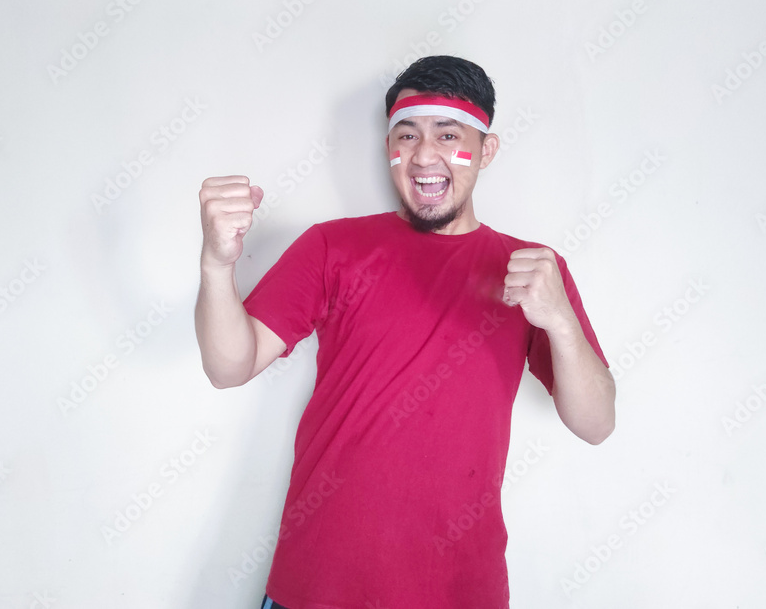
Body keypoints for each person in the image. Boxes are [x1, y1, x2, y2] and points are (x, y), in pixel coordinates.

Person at [195, 55, 615, 609]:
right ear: (389, 146)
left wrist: (560, 321)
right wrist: (216, 264)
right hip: (318, 587)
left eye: (448, 134)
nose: (423, 155)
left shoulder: (532, 270)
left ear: (486, 150)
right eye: (407, 134)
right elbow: (229, 367)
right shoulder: (332, 246)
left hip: (459, 592)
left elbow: (596, 424)